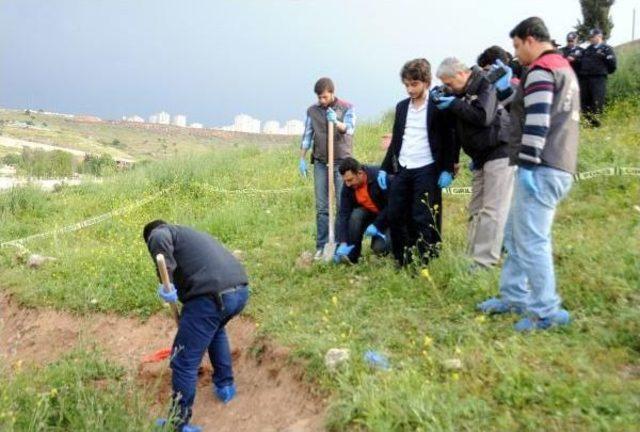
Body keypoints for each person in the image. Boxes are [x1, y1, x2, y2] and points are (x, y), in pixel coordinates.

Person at [478, 17, 580, 332]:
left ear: (530, 39)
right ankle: (513, 295)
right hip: (556, 163)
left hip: (542, 166)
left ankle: (546, 311)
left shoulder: (541, 69)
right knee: (515, 233)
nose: (517, 54)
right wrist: (509, 90)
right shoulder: (559, 66)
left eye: (517, 46)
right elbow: (531, 107)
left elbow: (537, 122)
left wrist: (529, 164)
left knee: (533, 240)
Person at [143, 220, 250, 432]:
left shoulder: (159, 233)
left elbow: (159, 239)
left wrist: (168, 282)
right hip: (239, 292)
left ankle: (178, 423)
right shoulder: (188, 234)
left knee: (183, 361)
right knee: (216, 330)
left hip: (211, 297)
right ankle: (225, 385)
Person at [435, 57, 514, 269]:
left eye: (449, 83)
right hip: (479, 157)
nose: (447, 88)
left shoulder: (484, 84)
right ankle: (471, 257)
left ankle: (485, 262)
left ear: (461, 73)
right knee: (476, 209)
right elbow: (454, 131)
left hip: (500, 150)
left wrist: (455, 104)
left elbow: (483, 117)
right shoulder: (458, 94)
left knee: (493, 209)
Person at [378, 58, 457, 267]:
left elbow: (450, 138)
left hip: (427, 168)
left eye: (414, 84)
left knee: (423, 216)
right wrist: (385, 168)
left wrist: (448, 168)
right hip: (404, 167)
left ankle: (425, 261)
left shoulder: (438, 106)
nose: (410, 89)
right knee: (395, 214)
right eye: (407, 85)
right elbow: (396, 139)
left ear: (426, 82)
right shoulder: (402, 107)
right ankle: (402, 259)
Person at [298, 77, 356, 260]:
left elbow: (350, 128)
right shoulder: (312, 111)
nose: (321, 100)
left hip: (341, 162)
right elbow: (307, 135)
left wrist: (336, 122)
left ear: (332, 92)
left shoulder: (346, 107)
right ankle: (322, 246)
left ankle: (340, 243)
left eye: (324, 97)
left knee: (341, 203)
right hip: (321, 161)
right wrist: (302, 158)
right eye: (319, 98)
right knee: (322, 206)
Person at [334, 157, 391, 264]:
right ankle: (352, 256)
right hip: (371, 216)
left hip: (389, 219)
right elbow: (343, 214)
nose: (347, 184)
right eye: (345, 181)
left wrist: (378, 225)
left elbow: (393, 205)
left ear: (360, 173)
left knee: (379, 249)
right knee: (356, 215)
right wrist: (343, 241)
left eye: (350, 180)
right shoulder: (348, 186)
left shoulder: (379, 177)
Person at [579, 28, 617, 127]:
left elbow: (612, 65)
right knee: (585, 101)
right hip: (585, 79)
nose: (591, 39)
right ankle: (587, 123)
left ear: (599, 36)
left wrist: (603, 71)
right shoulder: (587, 50)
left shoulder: (607, 49)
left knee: (597, 101)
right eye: (590, 37)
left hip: (598, 79)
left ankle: (596, 124)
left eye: (593, 37)